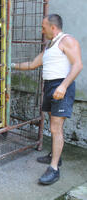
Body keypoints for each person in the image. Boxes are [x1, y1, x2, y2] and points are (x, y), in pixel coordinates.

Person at [9, 14, 83, 185]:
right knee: (53, 124)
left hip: (61, 86)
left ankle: (54, 168)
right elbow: (32, 64)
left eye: (43, 27)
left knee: (56, 129)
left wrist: (63, 86)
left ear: (53, 27)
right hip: (50, 87)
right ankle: (55, 156)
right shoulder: (50, 46)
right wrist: (10, 66)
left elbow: (78, 64)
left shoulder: (67, 40)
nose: (41, 31)